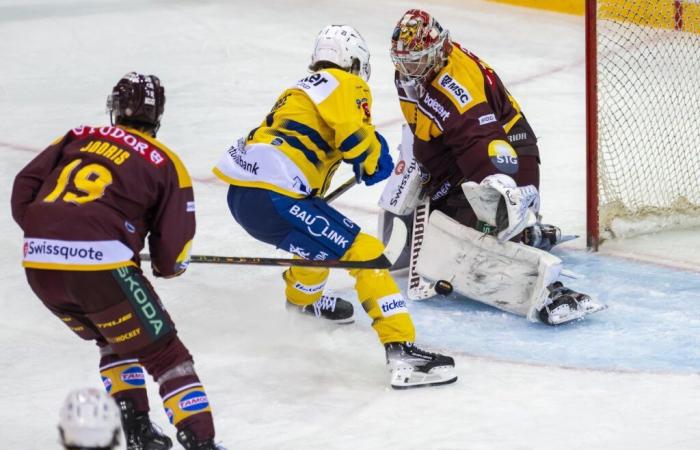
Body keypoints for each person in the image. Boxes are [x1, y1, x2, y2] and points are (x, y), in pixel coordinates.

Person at [212, 25, 457, 389]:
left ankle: (302, 304)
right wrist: (372, 159)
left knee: (316, 247)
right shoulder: (345, 83)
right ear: (355, 61)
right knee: (366, 253)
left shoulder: (298, 88)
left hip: (245, 196)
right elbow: (354, 137)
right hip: (276, 195)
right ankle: (402, 350)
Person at [12, 72, 225, 449]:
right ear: (158, 115)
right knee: (166, 354)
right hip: (102, 270)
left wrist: (53, 231)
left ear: (114, 108)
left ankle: (138, 430)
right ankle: (202, 443)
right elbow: (172, 251)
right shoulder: (164, 161)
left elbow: (23, 188)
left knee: (112, 337)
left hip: (39, 265)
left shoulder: (77, 136)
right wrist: (165, 266)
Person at [380, 9, 605, 325]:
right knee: (442, 222)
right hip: (465, 154)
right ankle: (529, 233)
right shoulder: (420, 72)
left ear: (436, 51)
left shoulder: (455, 88)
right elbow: (428, 125)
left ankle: (550, 287)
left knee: (461, 234)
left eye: (415, 60)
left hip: (509, 156)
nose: (406, 68)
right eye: (402, 60)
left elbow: (481, 140)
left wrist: (495, 191)